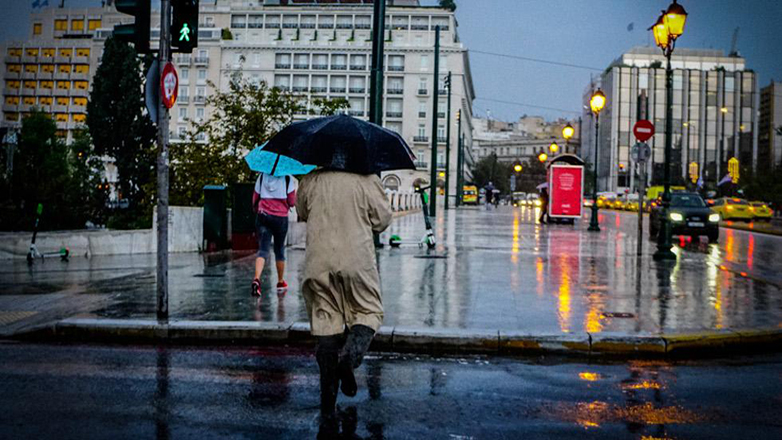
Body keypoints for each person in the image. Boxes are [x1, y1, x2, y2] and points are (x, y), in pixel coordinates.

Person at [296, 169, 392, 423]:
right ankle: (349, 358)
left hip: (318, 258)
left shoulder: (311, 179)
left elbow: (302, 212)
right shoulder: (368, 179)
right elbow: (382, 221)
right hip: (356, 258)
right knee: (369, 311)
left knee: (325, 322)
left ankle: (327, 403)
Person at [251, 172, 296, 297]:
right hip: (280, 218)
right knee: (279, 250)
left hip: (263, 215)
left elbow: (255, 197)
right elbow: (292, 202)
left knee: (263, 250)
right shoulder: (288, 178)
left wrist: (257, 209)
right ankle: (280, 282)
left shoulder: (262, 176)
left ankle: (256, 279)